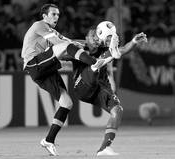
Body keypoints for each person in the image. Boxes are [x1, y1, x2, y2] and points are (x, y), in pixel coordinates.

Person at [21, 4, 116, 156]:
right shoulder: (39, 25)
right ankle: (95, 63)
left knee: (67, 103)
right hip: (34, 64)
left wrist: (85, 44)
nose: (56, 17)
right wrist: (79, 48)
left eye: (58, 14)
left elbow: (69, 41)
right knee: (66, 46)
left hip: (46, 70)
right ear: (44, 16)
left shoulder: (52, 31)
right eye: (53, 14)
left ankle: (48, 140)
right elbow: (61, 43)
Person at [68, 21, 147, 156]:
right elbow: (60, 50)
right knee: (100, 62)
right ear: (86, 38)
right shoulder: (78, 47)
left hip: (101, 88)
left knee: (117, 110)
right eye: (92, 35)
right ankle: (95, 66)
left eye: (97, 35)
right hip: (82, 86)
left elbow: (123, 50)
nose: (95, 38)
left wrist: (134, 41)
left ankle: (104, 148)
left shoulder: (104, 50)